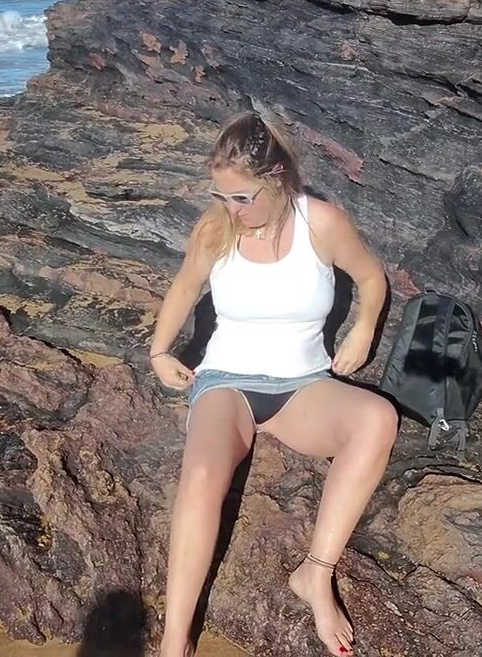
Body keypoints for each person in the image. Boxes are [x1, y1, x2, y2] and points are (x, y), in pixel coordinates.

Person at [148, 111, 397, 656]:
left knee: (377, 418)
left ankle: (315, 574)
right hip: (226, 382)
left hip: (302, 385)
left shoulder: (321, 223)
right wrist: (160, 352)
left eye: (241, 197)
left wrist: (363, 329)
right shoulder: (215, 228)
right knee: (202, 475)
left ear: (277, 178)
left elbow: (370, 276)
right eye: (221, 195)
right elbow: (185, 286)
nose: (230, 208)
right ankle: (174, 640)